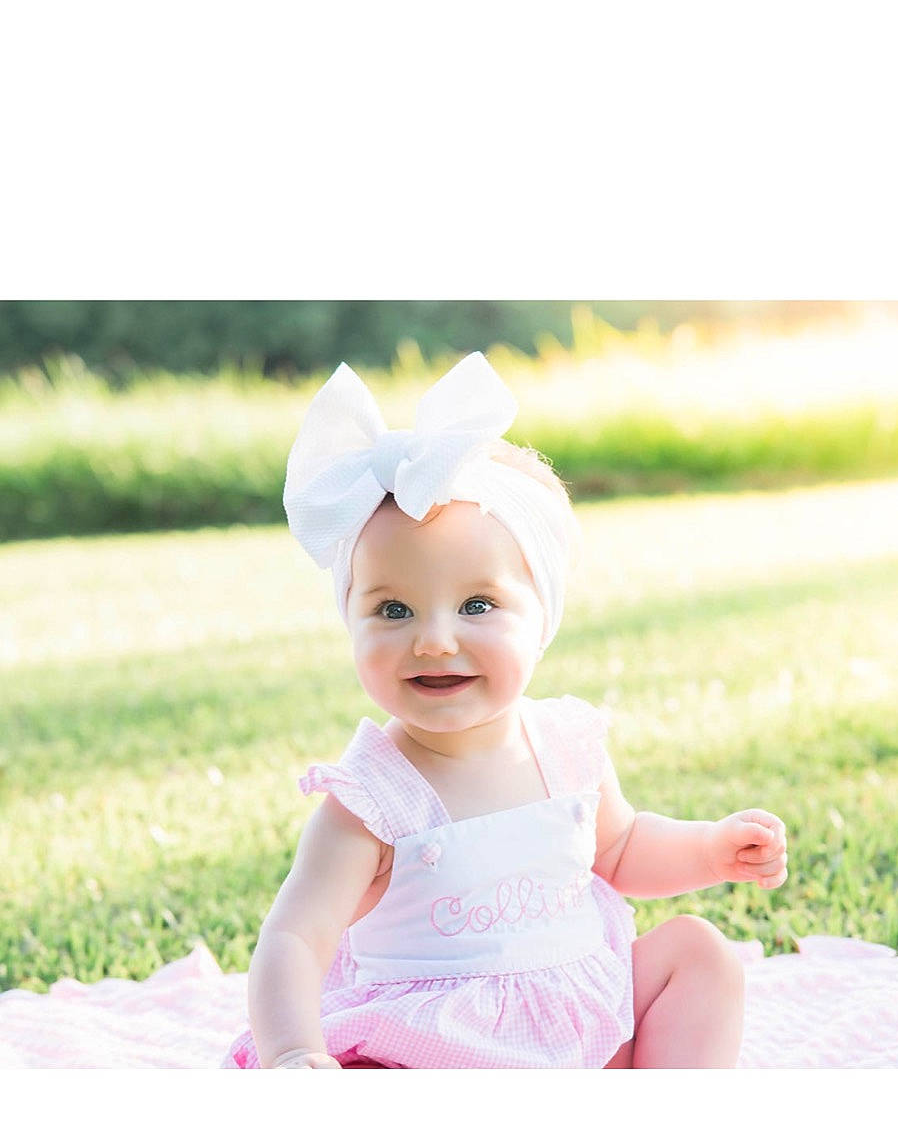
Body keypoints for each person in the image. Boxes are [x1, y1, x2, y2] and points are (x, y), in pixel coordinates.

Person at [223, 351, 786, 1071]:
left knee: (698, 954)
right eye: (392, 609)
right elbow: (295, 939)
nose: (433, 639)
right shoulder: (370, 801)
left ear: (541, 615)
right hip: (436, 1045)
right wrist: (296, 1051)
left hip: (581, 1025)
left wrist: (711, 848)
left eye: (477, 605)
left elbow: (619, 849)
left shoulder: (566, 745)